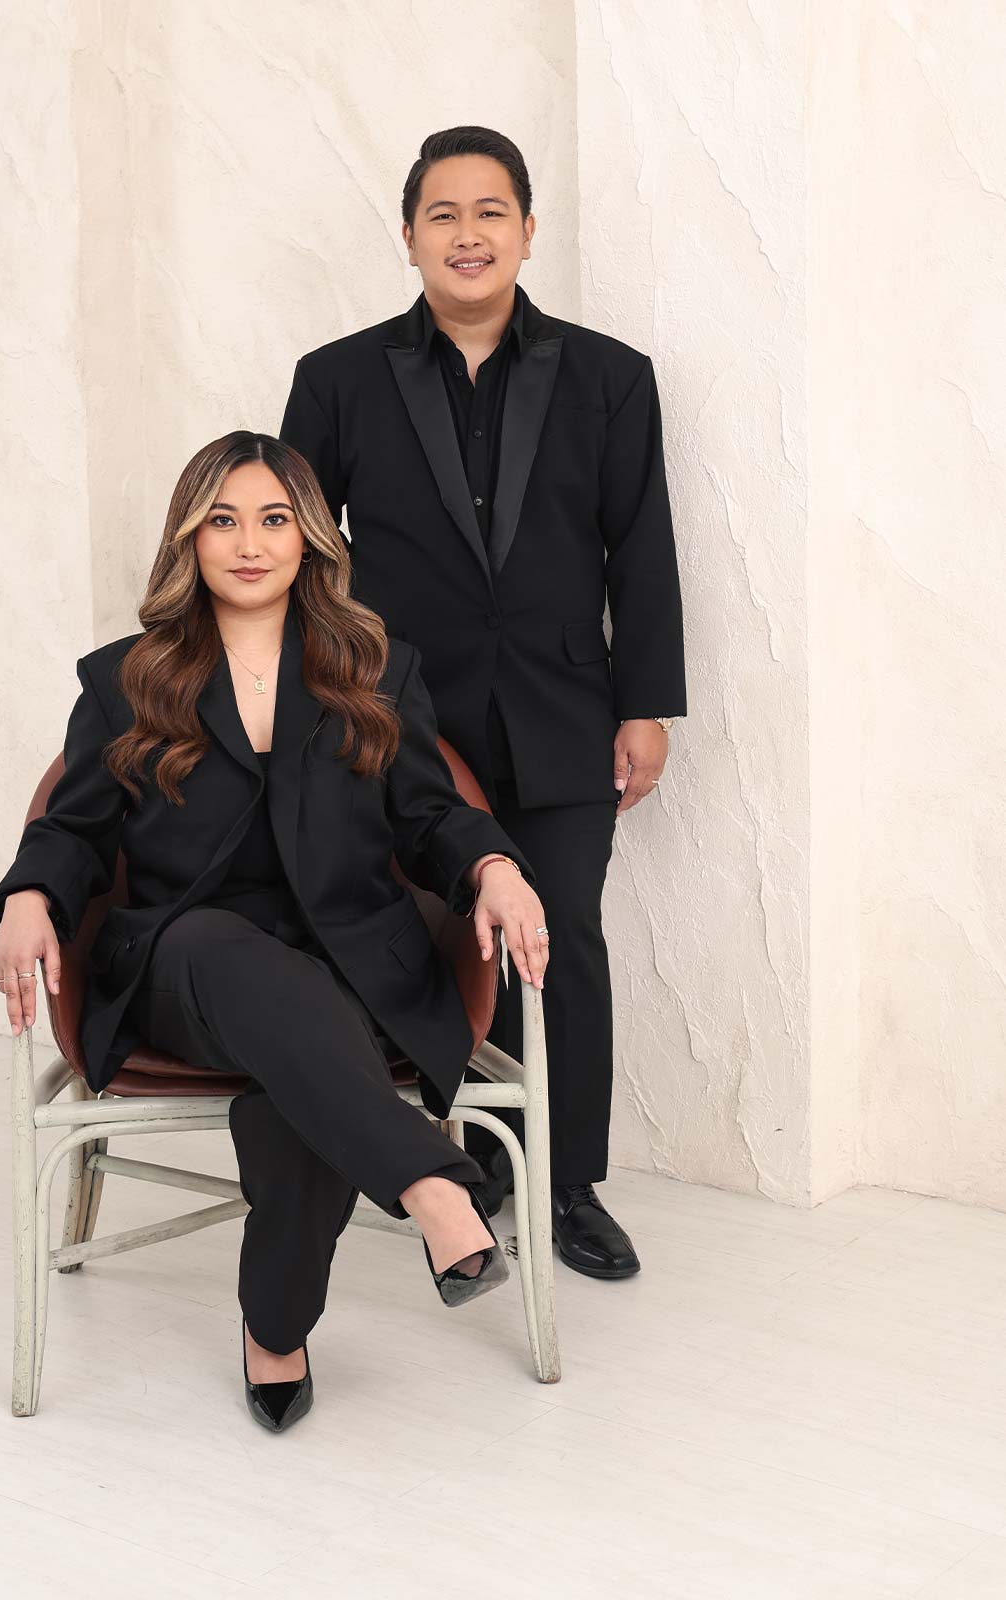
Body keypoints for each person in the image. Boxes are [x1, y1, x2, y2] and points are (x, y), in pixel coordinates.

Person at [0, 431, 550, 1432]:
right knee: (225, 951)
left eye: (274, 519)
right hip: (185, 965)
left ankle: (274, 1330)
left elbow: (430, 814)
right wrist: (30, 893)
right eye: (223, 521)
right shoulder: (125, 678)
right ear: (189, 539)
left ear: (311, 538)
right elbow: (72, 830)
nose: (249, 544)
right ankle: (432, 1182)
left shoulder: (376, 666)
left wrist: (493, 867)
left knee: (307, 1065)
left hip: (350, 968)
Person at [280, 125, 686, 1281]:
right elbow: (299, 551)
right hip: (399, 722)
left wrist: (644, 704)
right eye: (443, 214)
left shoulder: (609, 377)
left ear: (526, 230)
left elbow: (638, 549)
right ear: (409, 235)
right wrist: (320, 693)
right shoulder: (336, 378)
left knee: (562, 936)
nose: (467, 234)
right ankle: (453, 1160)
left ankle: (566, 1185)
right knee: (423, 938)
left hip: (564, 711)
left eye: (489, 211)